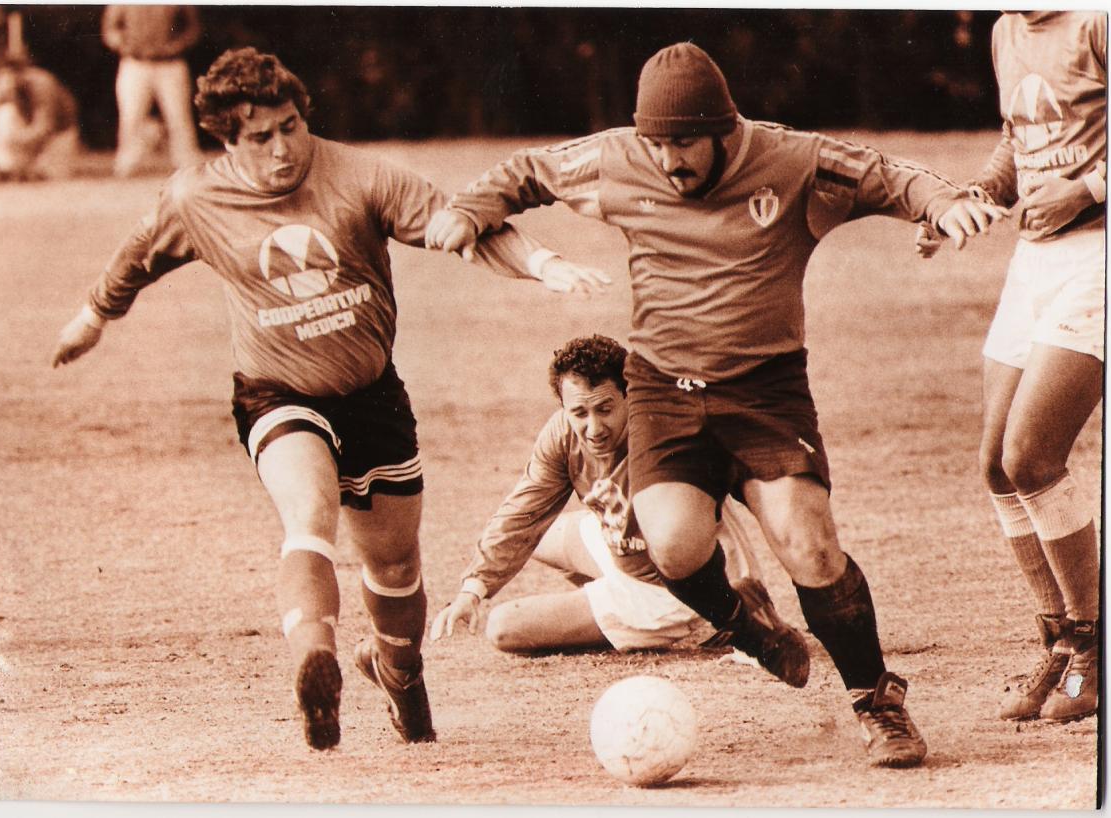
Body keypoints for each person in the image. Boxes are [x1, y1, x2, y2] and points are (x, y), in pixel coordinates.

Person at [426, 42, 1009, 768]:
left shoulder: (791, 161)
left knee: (809, 542)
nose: (669, 161)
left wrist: (946, 203)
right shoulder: (615, 160)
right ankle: (748, 628)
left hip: (764, 391)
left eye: (685, 144)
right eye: (657, 144)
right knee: (670, 544)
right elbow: (526, 173)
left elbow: (884, 174)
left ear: (724, 129)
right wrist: (470, 209)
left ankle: (876, 700)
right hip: (664, 391)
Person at [50, 47, 608, 751]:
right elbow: (136, 259)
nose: (283, 147)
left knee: (395, 566)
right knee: (308, 512)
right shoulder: (196, 198)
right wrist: (92, 319)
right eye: (261, 137)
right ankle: (314, 662)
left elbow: (460, 224)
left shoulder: (359, 174)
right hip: (276, 392)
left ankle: (397, 670)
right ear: (228, 140)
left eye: (290, 125)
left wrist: (542, 263)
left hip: (371, 394)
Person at [916, 11, 1104, 725]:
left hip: (1098, 253)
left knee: (1032, 456)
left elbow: (1072, 175)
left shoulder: (1096, 21)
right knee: (995, 463)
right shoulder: (1005, 30)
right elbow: (1017, 142)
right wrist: (970, 203)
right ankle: (1060, 640)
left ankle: (1096, 647)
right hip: (1036, 260)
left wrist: (1088, 189)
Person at [432, 334, 803, 668]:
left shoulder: (662, 429)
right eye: (579, 412)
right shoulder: (562, 434)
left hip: (672, 589)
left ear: (629, 395)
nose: (593, 428)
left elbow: (725, 516)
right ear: (563, 407)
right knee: (540, 536)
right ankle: (601, 602)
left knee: (503, 627)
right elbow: (523, 514)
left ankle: (688, 619)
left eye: (605, 409)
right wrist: (474, 589)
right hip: (620, 546)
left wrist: (743, 619)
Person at [101, 4, 203, 176]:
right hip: (135, 62)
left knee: (178, 115)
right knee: (131, 115)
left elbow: (192, 29)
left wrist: (176, 46)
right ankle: (127, 165)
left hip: (170, 62)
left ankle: (187, 163)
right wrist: (123, 45)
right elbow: (110, 29)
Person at [0, 57, 80, 181]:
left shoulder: (42, 84)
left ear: (22, 74)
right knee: (4, 115)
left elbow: (44, 128)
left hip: (59, 132)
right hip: (28, 129)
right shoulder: (0, 88)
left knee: (49, 176)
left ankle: (27, 167)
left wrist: (15, 139)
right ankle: (10, 167)